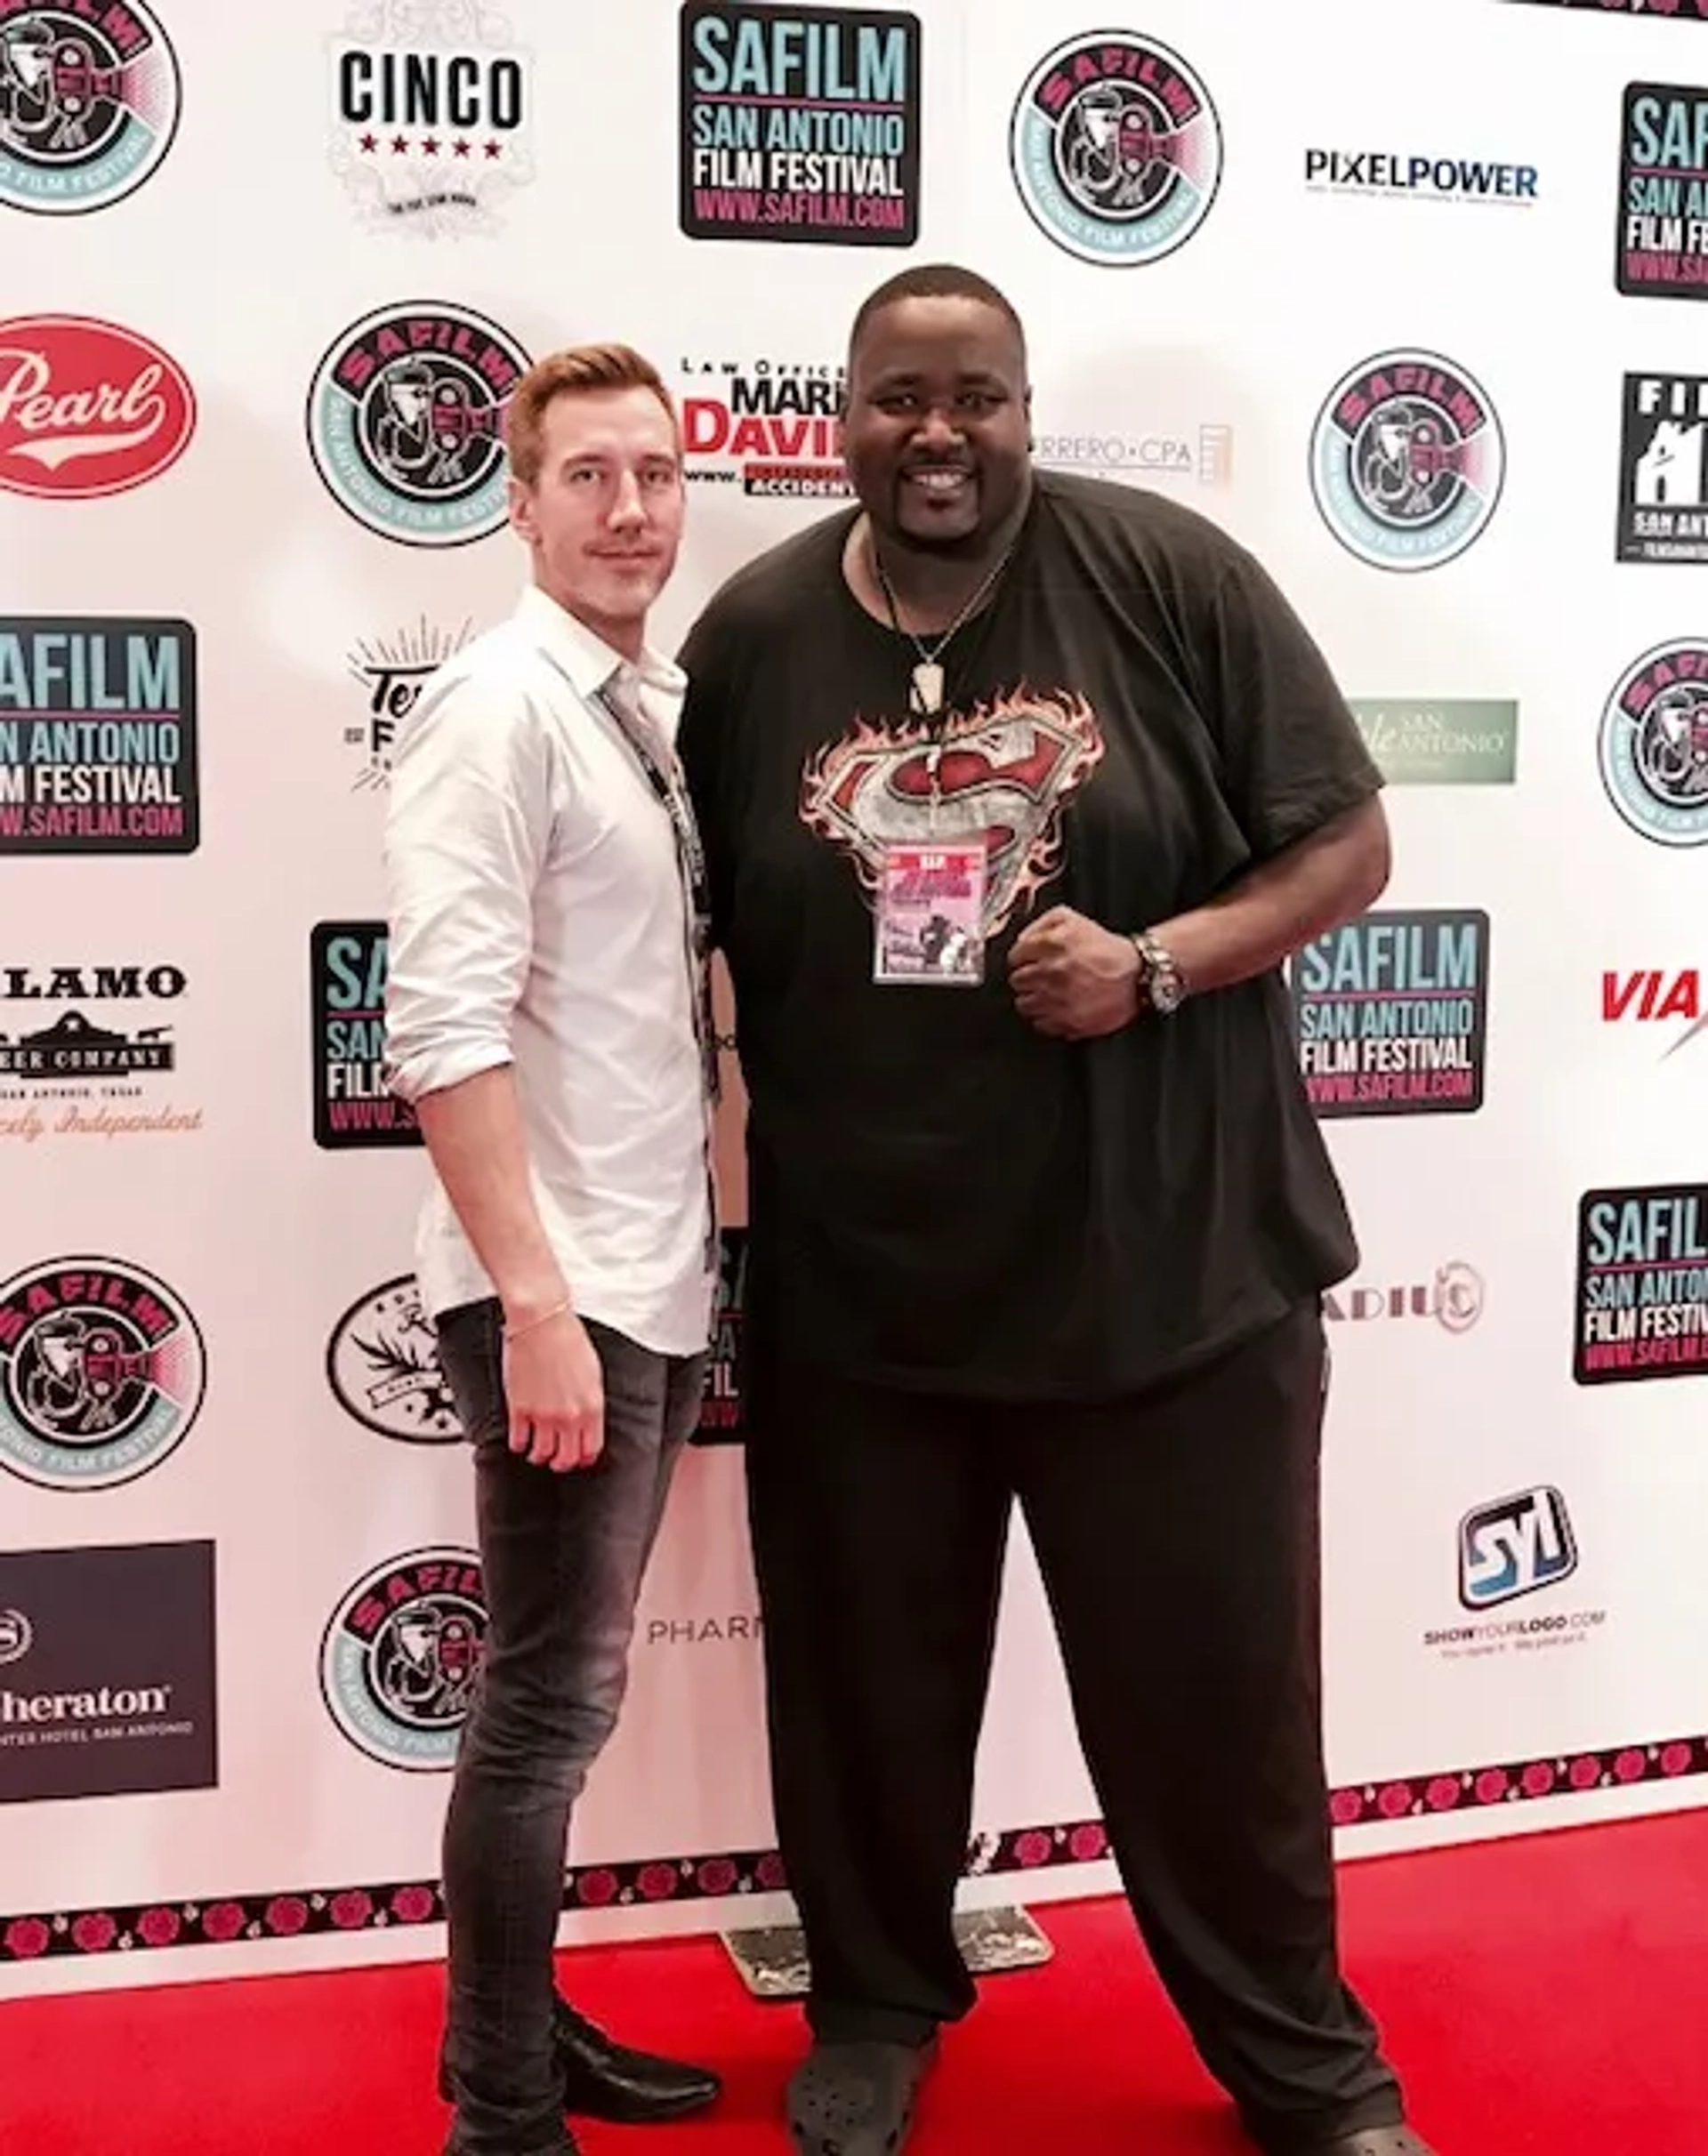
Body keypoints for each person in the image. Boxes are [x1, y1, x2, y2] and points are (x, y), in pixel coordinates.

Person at [675, 265, 1438, 2156]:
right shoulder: (760, 634)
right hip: (868, 1292)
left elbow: (1348, 843)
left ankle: (1303, 2068)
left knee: (1218, 1722)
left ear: (1026, 408)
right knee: (862, 1697)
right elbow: (681, 922)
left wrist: (1164, 963)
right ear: (835, 416)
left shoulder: (1169, 578)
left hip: (1168, 1276)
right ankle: (870, 2006)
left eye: (979, 399)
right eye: (899, 400)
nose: (939, 435)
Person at [383, 343, 722, 2156]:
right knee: (544, 1711)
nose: (629, 509)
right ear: (518, 503)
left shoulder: (628, 703)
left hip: (643, 1272)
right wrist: (535, 1304)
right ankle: (500, 2114)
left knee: (554, 1708)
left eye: (656, 474)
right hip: (562, 1289)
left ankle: (516, 2031)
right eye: (587, 476)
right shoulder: (496, 706)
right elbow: (438, 1030)